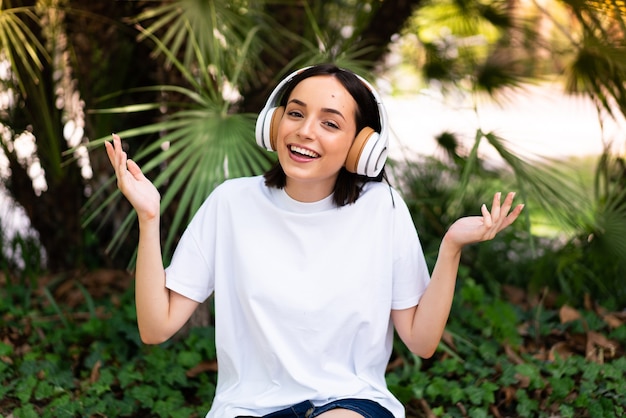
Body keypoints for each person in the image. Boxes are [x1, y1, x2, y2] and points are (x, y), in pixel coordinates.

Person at [105, 64, 524, 418]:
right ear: (273, 123)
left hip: (351, 405)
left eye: (329, 122)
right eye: (295, 113)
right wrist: (148, 218)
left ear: (362, 146)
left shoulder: (383, 209)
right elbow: (155, 327)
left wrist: (450, 246)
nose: (305, 132)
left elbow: (420, 340)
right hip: (247, 408)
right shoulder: (230, 203)